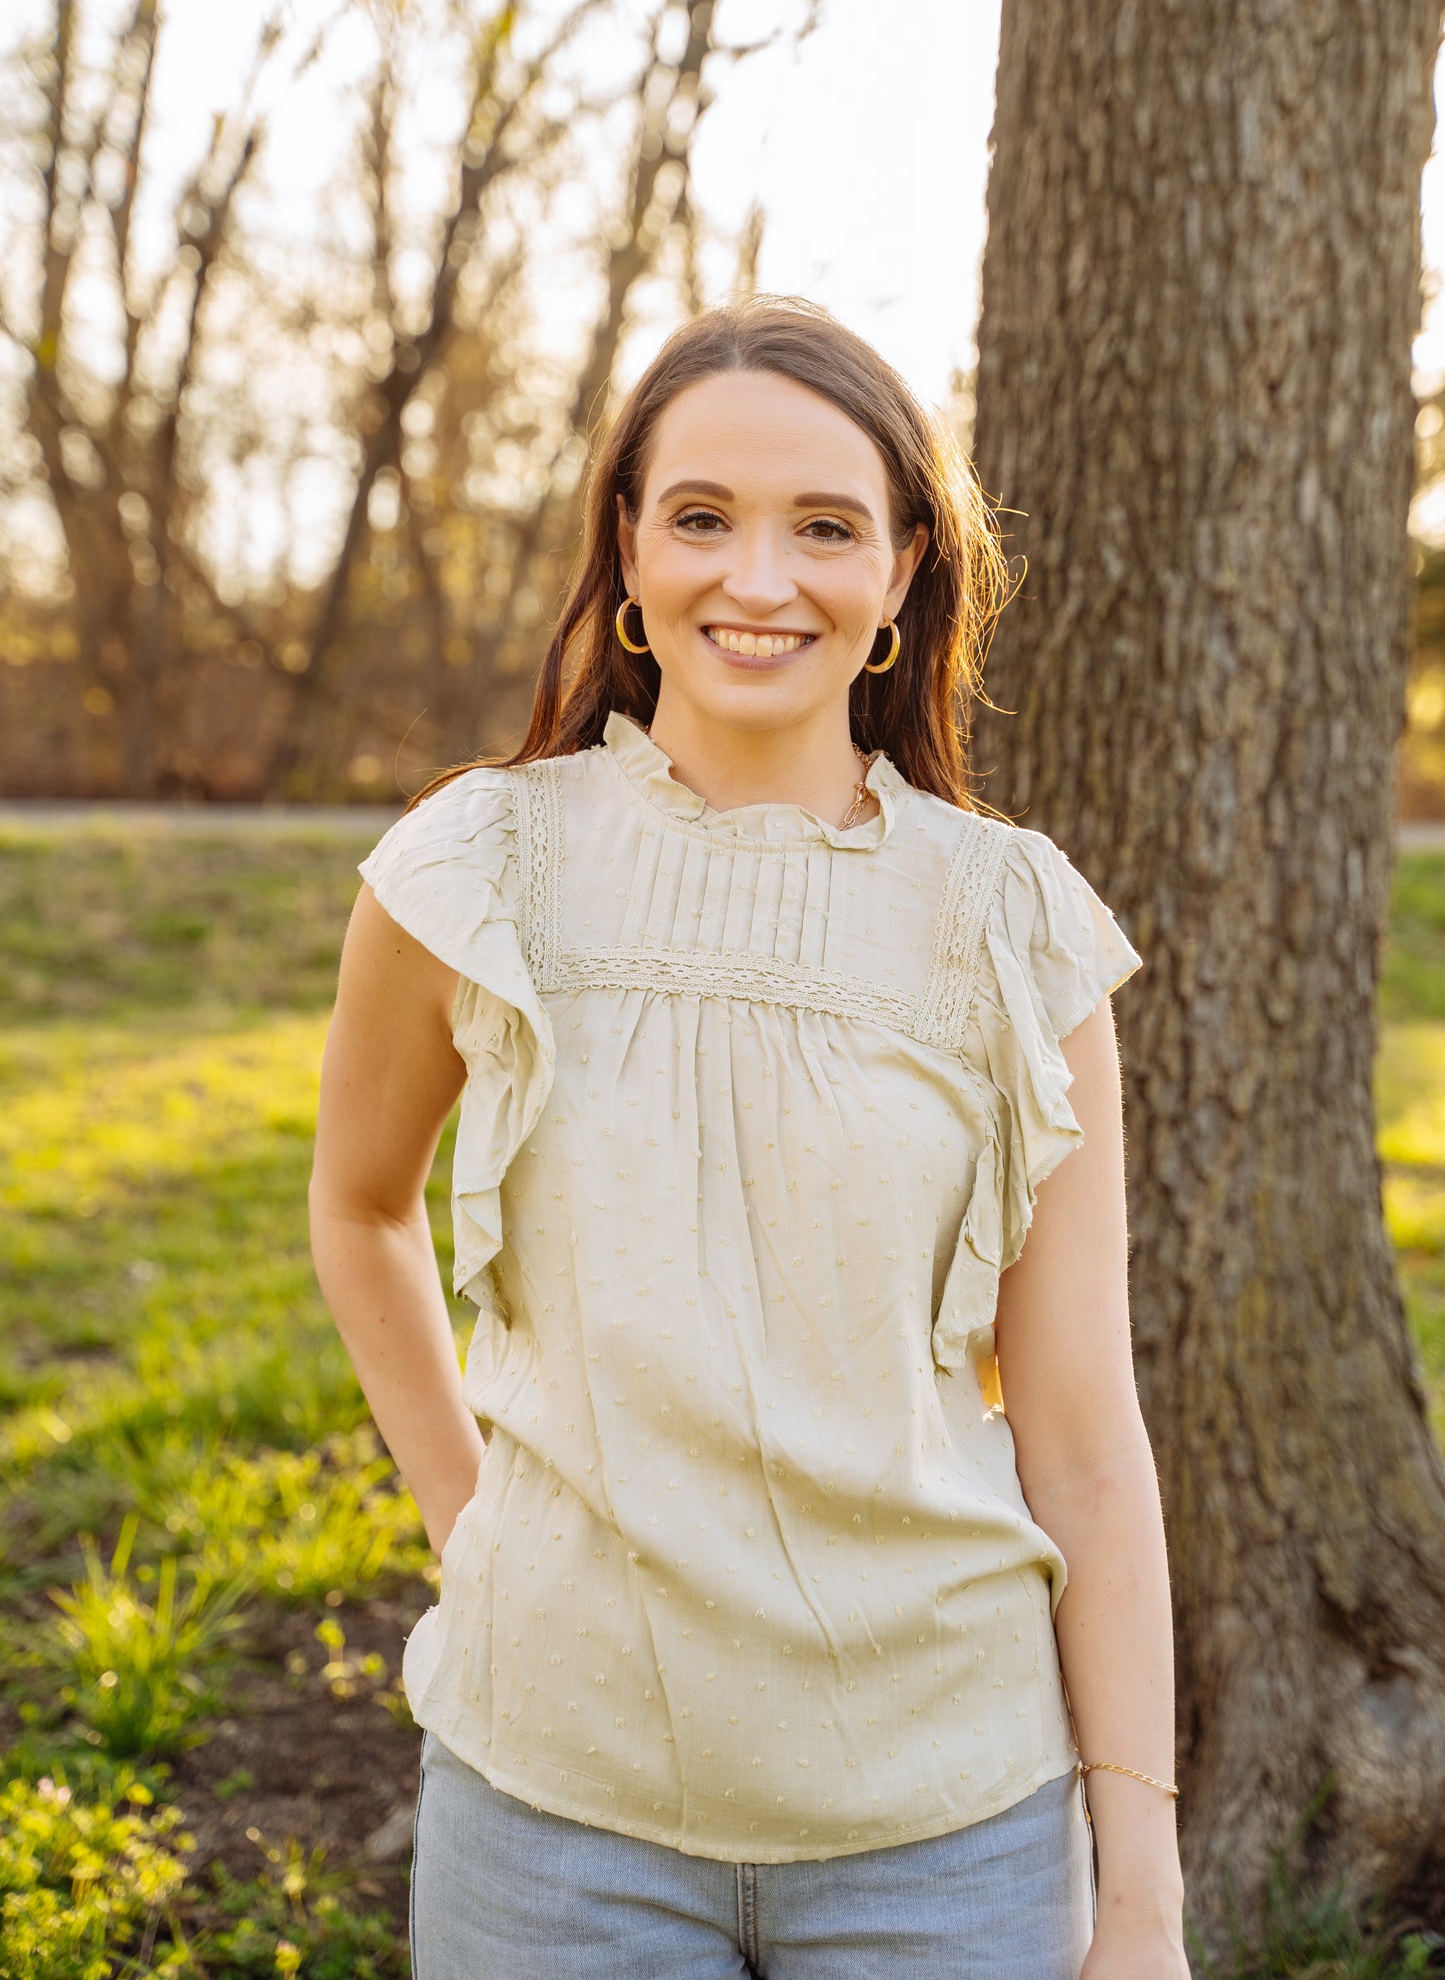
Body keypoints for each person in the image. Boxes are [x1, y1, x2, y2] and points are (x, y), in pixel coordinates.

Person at [309, 295, 1190, 1979]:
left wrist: (1137, 1887)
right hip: (549, 1813)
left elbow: (1079, 1435)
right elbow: (357, 1210)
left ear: (906, 569)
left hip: (947, 1833)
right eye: (701, 518)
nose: (757, 578)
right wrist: (467, 1521)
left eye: (824, 527)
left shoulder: (1014, 925)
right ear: (627, 550)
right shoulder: (471, 865)